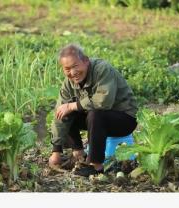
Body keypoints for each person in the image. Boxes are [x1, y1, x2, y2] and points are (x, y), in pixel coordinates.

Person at [48, 44, 138, 177]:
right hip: (97, 121)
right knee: (65, 111)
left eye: (75, 66)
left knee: (94, 113)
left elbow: (103, 102)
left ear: (85, 60)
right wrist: (56, 151)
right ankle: (79, 153)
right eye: (67, 69)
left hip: (124, 119)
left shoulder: (102, 69)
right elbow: (60, 113)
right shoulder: (69, 83)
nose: (72, 73)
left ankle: (96, 166)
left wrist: (72, 106)